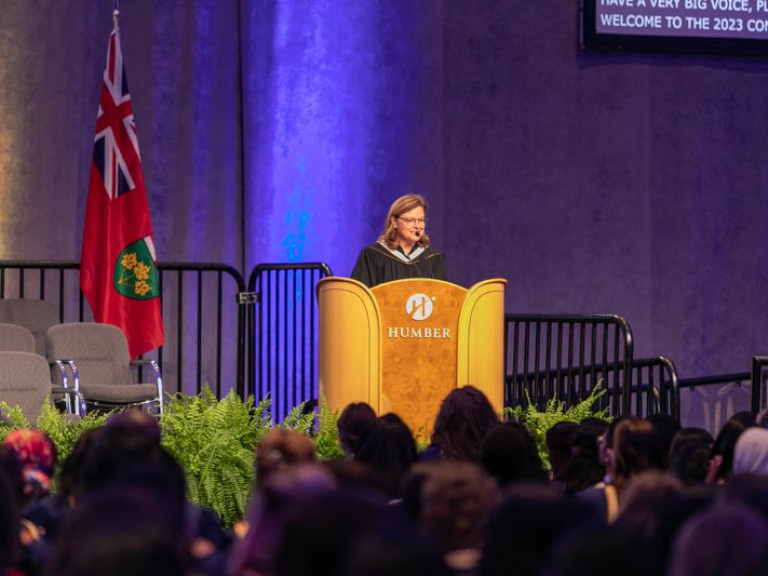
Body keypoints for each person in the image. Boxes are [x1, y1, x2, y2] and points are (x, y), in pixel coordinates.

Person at [351, 194, 447, 287]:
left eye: (421, 220)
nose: (418, 226)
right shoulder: (373, 255)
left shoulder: (433, 259)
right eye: (410, 220)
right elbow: (359, 297)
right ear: (394, 221)